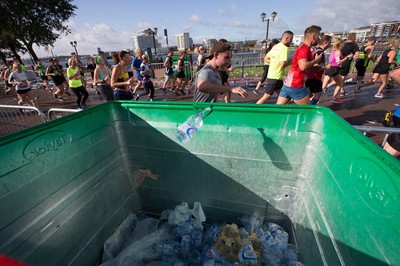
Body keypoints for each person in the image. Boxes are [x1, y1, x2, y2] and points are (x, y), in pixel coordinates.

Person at [276, 25, 323, 105]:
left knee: (279, 110)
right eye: (318, 36)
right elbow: (303, 66)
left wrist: (316, 67)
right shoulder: (304, 49)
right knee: (306, 112)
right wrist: (316, 60)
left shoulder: (303, 47)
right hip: (296, 84)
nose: (319, 39)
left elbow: (302, 65)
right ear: (314, 37)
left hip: (287, 85)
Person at [256, 31, 293, 104]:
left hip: (275, 77)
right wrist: (292, 61)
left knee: (285, 98)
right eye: (291, 39)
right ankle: (253, 110)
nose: (291, 41)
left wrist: (274, 62)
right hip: (275, 77)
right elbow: (282, 64)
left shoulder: (276, 47)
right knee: (266, 96)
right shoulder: (284, 48)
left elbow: (266, 58)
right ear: (286, 38)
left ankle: (282, 112)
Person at [322, 38, 353, 104]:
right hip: (334, 69)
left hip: (330, 68)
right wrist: (346, 58)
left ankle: (314, 97)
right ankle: (333, 98)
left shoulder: (334, 51)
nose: (344, 45)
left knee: (324, 85)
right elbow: (338, 62)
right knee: (340, 84)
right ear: (340, 44)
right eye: (343, 44)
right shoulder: (338, 52)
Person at [306, 35, 332, 105]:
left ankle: (306, 105)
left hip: (310, 76)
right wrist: (326, 67)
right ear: (326, 42)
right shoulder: (320, 53)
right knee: (318, 94)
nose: (330, 44)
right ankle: (310, 108)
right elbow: (315, 65)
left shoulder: (315, 50)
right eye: (330, 42)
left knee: (309, 94)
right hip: (314, 77)